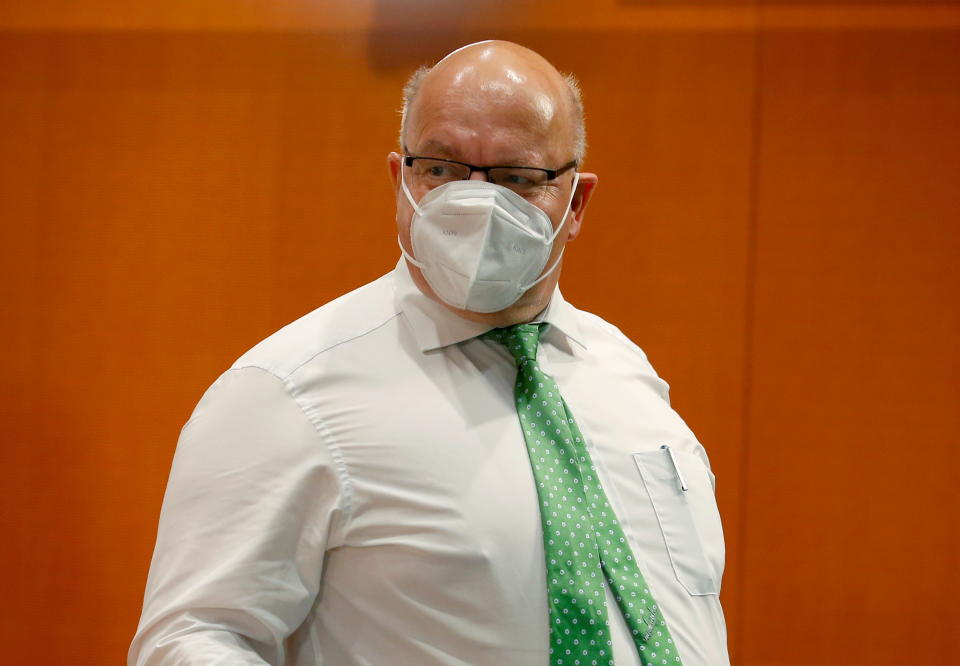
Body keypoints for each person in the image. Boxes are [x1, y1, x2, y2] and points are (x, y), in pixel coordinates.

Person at [129, 40, 729, 666]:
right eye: (439, 169)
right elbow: (192, 640)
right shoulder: (289, 391)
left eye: (515, 176)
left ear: (575, 203)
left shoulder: (623, 373)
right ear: (400, 179)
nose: (473, 202)